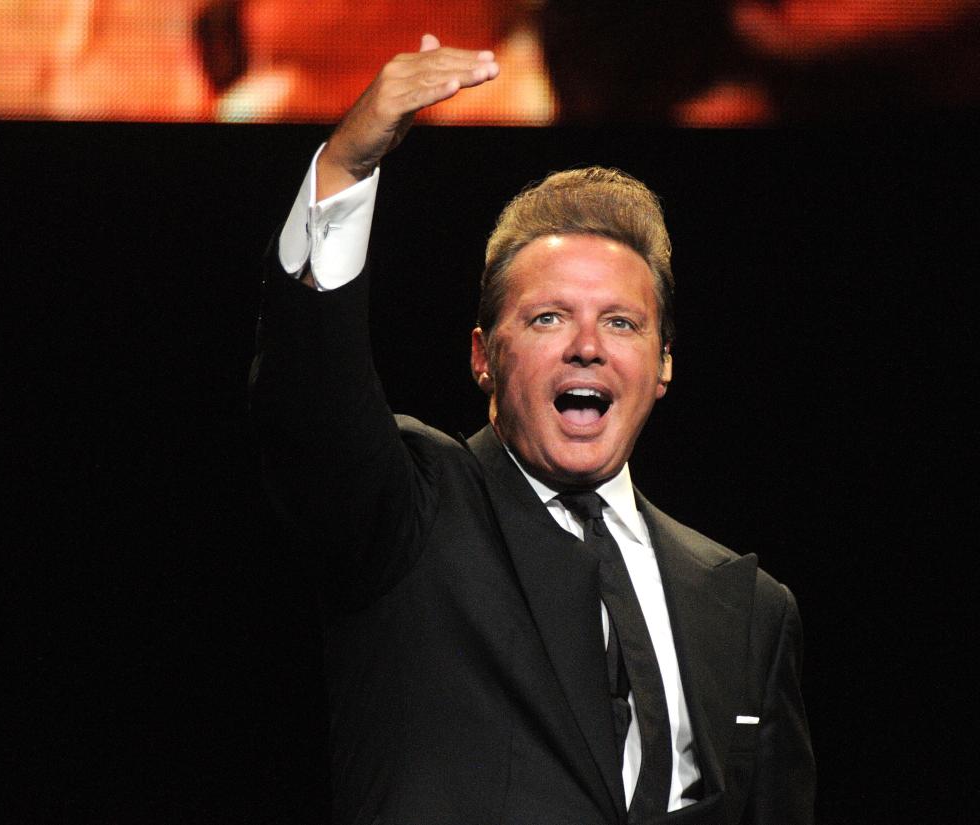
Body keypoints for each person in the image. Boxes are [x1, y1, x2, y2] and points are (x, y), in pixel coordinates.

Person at [249, 35, 814, 824]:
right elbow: (308, 408)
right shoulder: (412, 513)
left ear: (662, 365)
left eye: (620, 322)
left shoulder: (751, 607)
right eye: (548, 317)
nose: (587, 344)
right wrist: (344, 173)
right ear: (484, 356)